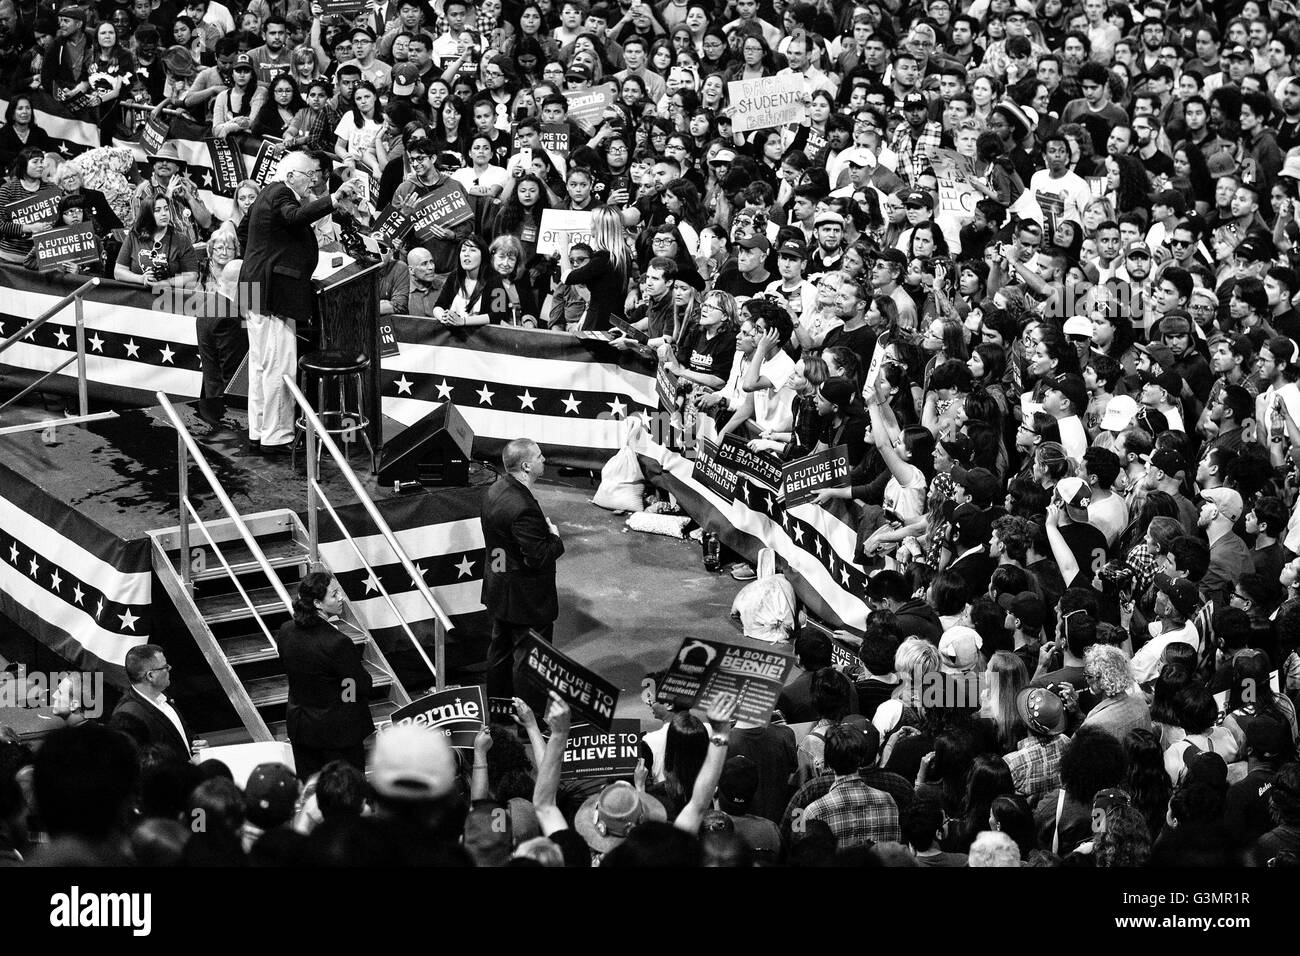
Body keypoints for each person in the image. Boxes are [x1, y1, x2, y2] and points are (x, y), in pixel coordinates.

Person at [236, 150, 362, 458]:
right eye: (309, 176)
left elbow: (243, 231)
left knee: (261, 364)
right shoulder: (281, 192)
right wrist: (333, 199)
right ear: (291, 175)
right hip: (272, 292)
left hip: (254, 285)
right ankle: (276, 437)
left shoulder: (267, 194)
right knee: (278, 365)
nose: (313, 181)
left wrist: (265, 256)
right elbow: (294, 217)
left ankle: (259, 430)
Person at [481, 438, 565, 700]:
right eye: (540, 457)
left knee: (500, 651)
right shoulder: (524, 508)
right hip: (525, 600)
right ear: (527, 465)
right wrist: (554, 537)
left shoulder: (495, 490)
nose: (544, 460)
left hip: (499, 587)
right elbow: (538, 558)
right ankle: (529, 720)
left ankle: (499, 711)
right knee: (531, 659)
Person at [276, 572, 376, 778]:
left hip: (302, 729)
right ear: (317, 603)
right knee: (346, 796)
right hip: (339, 737)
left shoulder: (286, 631)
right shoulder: (337, 643)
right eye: (334, 594)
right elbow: (359, 685)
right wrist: (346, 698)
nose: (341, 598)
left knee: (312, 794)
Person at [108, 644, 192, 759]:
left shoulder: (164, 697)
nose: (170, 668)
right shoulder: (128, 715)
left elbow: (181, 738)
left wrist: (198, 747)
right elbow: (136, 764)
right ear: (151, 675)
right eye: (165, 667)